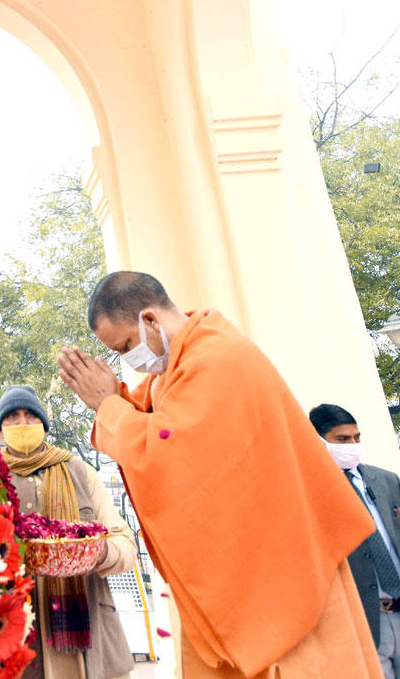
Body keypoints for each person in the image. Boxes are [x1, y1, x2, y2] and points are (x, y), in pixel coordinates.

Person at [56, 271, 381, 678]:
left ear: (151, 320)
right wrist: (112, 402)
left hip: (281, 571)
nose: (128, 359)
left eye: (125, 345)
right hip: (254, 569)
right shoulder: (175, 370)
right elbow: (153, 423)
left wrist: (108, 406)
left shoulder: (217, 358)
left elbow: (168, 452)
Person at [0, 384, 136, 679]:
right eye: (12, 417)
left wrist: (96, 552)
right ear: (0, 428)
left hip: (87, 639)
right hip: (14, 636)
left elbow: (124, 544)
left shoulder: (80, 472)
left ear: (44, 424)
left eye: (31, 416)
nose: (23, 424)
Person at [310, 403, 400, 678]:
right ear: (319, 441)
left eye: (356, 437)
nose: (353, 445)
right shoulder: (311, 490)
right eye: (343, 439)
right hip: (362, 618)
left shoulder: (386, 480)